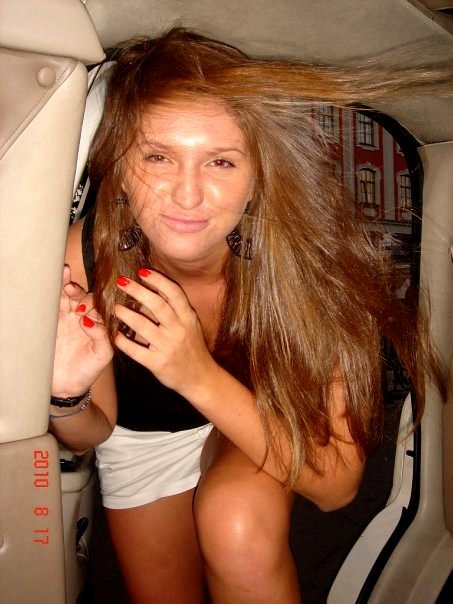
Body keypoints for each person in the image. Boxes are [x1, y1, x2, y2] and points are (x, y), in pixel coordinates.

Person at [49, 28, 448, 603]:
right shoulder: (84, 256)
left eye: (220, 161)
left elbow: (335, 485)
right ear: (120, 165)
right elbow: (97, 429)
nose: (187, 195)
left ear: (259, 174)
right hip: (146, 439)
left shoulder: (310, 264)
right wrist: (67, 396)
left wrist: (194, 371)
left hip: (269, 408)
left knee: (236, 523)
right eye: (158, 157)